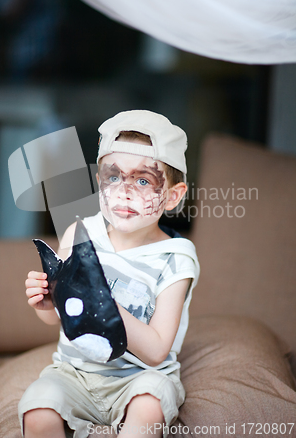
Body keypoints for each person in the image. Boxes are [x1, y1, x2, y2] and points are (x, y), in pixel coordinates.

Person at [19, 110, 200, 438]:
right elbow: (61, 317)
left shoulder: (176, 258)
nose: (124, 192)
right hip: (75, 373)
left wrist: (106, 308)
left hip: (138, 379)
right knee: (37, 407)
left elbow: (158, 349)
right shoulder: (79, 234)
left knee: (149, 405)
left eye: (143, 180)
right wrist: (46, 305)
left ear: (172, 196)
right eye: (113, 177)